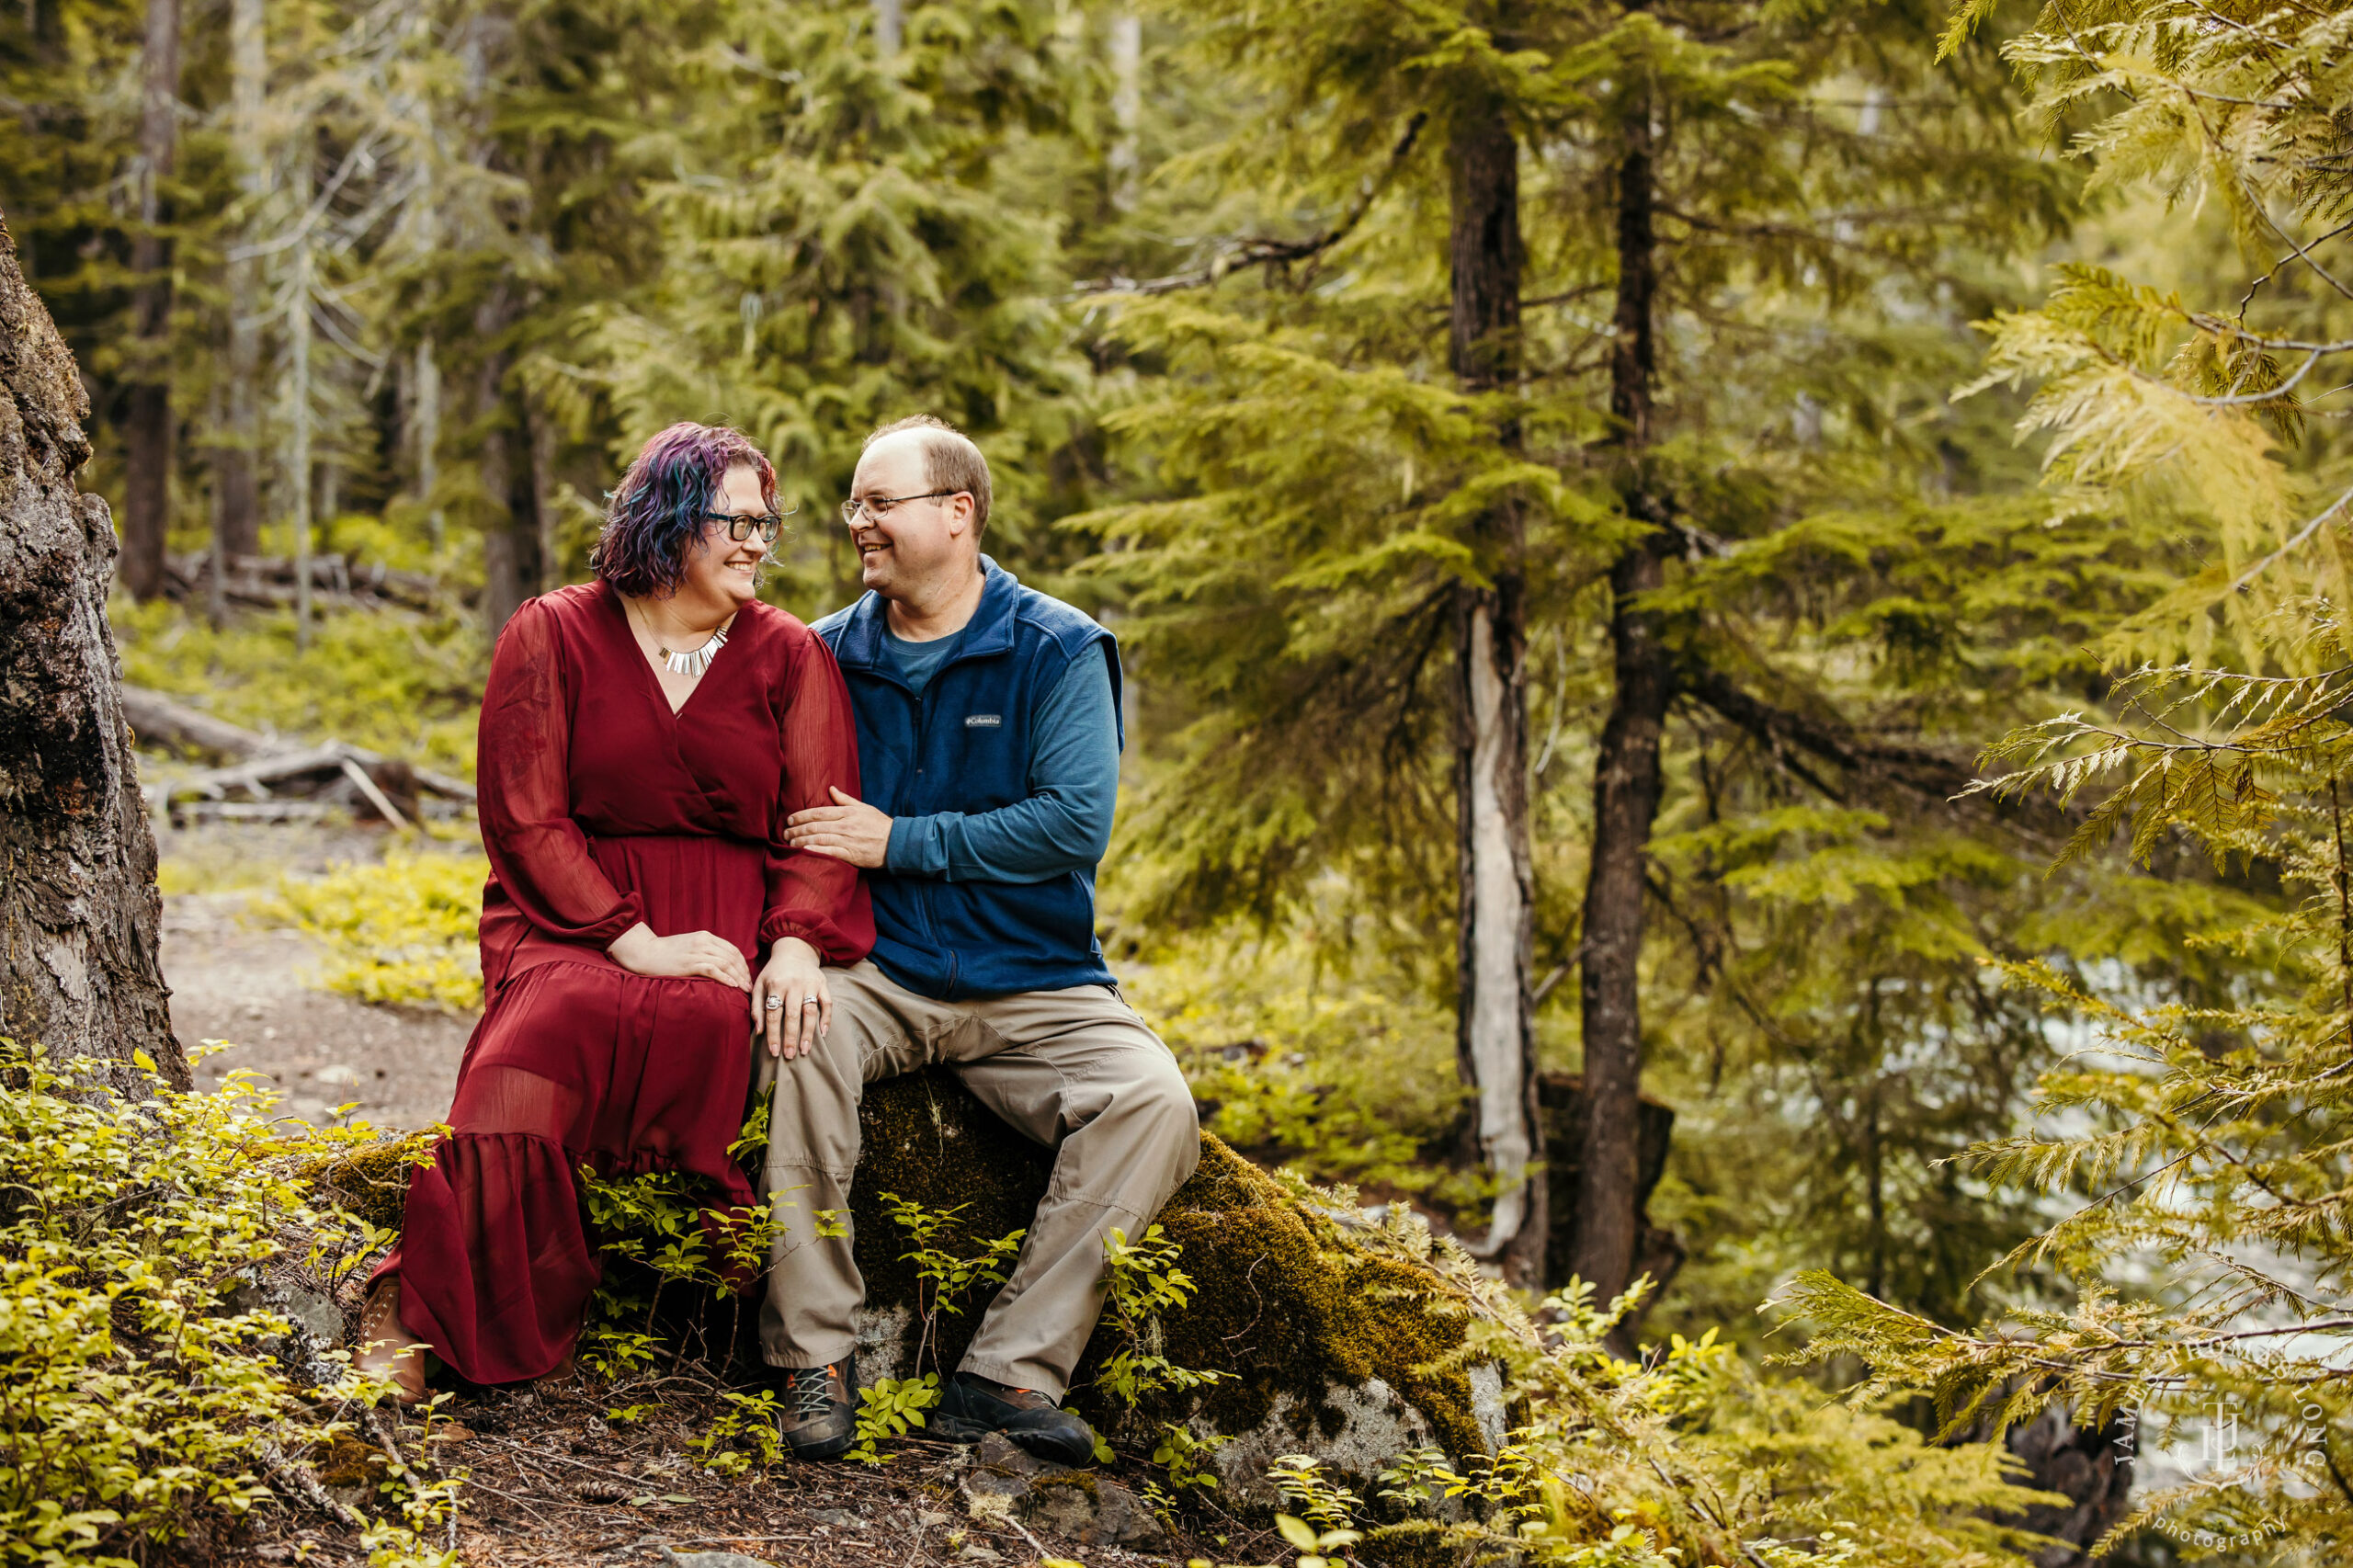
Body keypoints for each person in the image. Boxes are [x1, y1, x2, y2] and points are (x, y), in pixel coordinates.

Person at [354, 423, 873, 1403]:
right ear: (670, 517)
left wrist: (795, 942)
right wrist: (633, 939)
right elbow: (524, 812)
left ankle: (681, 1292)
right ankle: (422, 1309)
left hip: (725, 921)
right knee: (531, 1047)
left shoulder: (789, 652)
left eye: (770, 522)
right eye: (737, 520)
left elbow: (819, 827)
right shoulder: (551, 630)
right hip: (573, 913)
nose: (760, 541)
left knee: (710, 1021)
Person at [757, 415, 1200, 1464]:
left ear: (958, 514)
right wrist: (792, 941)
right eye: (854, 502)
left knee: (1153, 1101)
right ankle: (815, 1357)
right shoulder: (820, 653)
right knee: (795, 1037)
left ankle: (1006, 1372)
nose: (855, 520)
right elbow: (781, 818)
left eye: (879, 501)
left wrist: (898, 839)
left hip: (1035, 979)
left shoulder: (1056, 647)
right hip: (879, 965)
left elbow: (1071, 824)